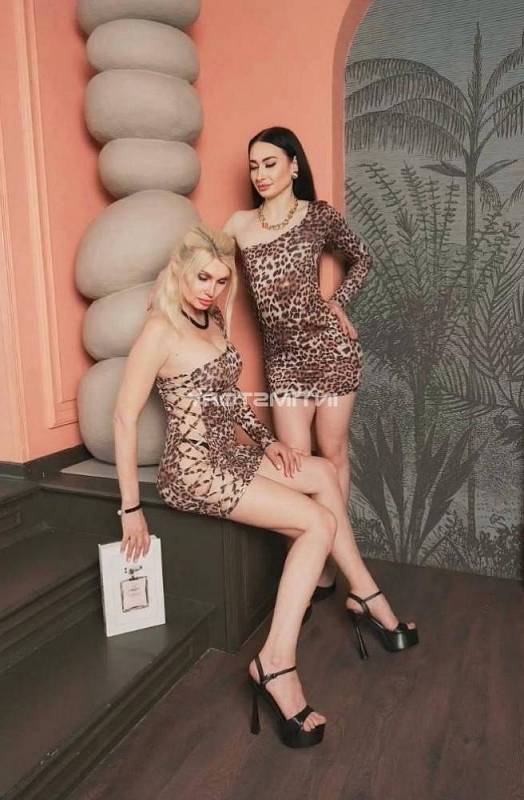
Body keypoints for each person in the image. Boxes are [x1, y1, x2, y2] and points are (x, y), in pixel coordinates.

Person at [115, 224, 418, 750]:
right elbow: (124, 417)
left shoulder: (211, 319)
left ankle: (363, 592)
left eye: (220, 280)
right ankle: (276, 663)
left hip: (230, 452)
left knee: (320, 472)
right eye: (202, 278)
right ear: (180, 272)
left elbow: (230, 398)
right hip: (195, 469)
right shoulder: (159, 330)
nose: (211, 289)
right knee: (317, 523)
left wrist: (268, 440)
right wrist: (130, 508)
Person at [223, 126, 371, 598]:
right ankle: (317, 558)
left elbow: (363, 258)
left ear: (293, 166)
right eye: (254, 166)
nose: (260, 174)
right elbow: (198, 262)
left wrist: (337, 302)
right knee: (297, 465)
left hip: (331, 351)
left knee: (334, 455)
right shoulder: (239, 224)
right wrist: (168, 292)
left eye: (270, 163)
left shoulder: (318, 215)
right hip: (283, 361)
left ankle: (331, 569)